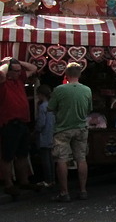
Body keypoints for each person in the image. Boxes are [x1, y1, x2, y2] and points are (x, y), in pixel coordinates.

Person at [48, 62, 92, 202]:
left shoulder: (59, 90)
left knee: (61, 159)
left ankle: (64, 192)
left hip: (63, 128)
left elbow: (50, 108)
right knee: (81, 158)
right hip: (80, 127)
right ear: (79, 74)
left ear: (66, 74)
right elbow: (89, 109)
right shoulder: (87, 90)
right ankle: (83, 190)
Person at [0, 57, 39, 197]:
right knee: (8, 156)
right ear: (8, 71)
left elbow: (33, 69)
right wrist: (5, 64)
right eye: (15, 71)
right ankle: (9, 184)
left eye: (19, 71)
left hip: (22, 122)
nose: (18, 73)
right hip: (9, 123)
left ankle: (24, 180)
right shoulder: (3, 81)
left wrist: (17, 62)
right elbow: (2, 74)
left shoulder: (19, 79)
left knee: (22, 154)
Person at [34, 84, 55, 188]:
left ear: (41, 95)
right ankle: (52, 179)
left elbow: (41, 123)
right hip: (51, 132)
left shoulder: (42, 107)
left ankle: (48, 179)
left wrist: (36, 130)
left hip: (44, 134)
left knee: (45, 158)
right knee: (50, 157)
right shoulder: (52, 105)